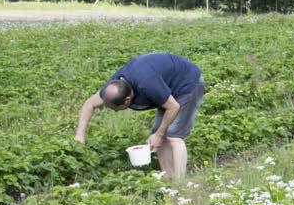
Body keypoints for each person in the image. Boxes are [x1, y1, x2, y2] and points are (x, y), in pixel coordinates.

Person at [75, 53, 206, 180]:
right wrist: (80, 135)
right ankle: (168, 178)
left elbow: (173, 107)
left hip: (187, 82)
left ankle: (180, 183)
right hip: (167, 87)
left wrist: (160, 134)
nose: (115, 112)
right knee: (158, 135)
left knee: (173, 135)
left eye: (117, 109)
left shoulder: (147, 84)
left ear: (127, 99)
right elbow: (89, 104)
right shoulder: (112, 87)